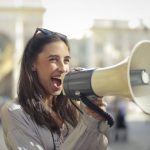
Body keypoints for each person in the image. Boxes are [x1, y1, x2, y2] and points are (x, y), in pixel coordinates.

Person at [1, 28, 110, 150]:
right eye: (53, 59)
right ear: (32, 63)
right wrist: (87, 124)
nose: (63, 68)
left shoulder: (76, 107)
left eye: (66, 60)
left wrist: (98, 123)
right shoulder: (14, 112)